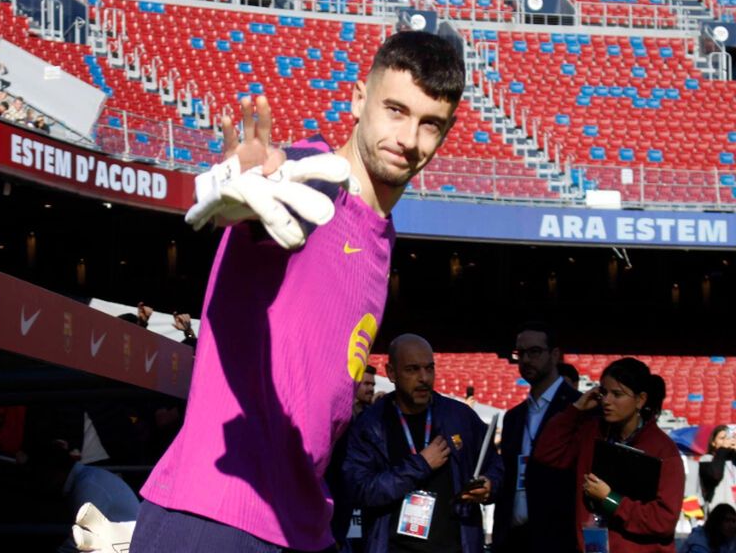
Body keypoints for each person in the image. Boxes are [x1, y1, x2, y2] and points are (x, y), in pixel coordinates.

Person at [130, 31, 465, 553]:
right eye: (395, 110)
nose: (408, 137)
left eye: (429, 124)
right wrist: (244, 188)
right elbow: (264, 198)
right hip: (218, 513)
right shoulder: (311, 181)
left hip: (302, 523)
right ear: (358, 99)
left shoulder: (381, 235)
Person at [343, 334, 503, 553]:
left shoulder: (460, 417)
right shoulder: (370, 424)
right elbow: (361, 489)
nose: (424, 378)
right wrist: (421, 464)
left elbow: (495, 465)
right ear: (391, 373)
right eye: (412, 369)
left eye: (430, 368)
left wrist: (489, 485)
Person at [533, 357, 683, 553]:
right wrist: (576, 409)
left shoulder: (664, 451)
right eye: (603, 392)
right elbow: (547, 453)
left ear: (640, 400)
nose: (606, 401)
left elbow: (663, 522)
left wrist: (610, 499)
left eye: (617, 394)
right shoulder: (590, 432)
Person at [493, 322, 581, 553]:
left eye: (534, 352)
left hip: (560, 539)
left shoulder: (581, 409)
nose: (525, 360)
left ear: (554, 355)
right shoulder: (513, 417)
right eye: (520, 353)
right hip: (513, 538)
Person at [23, 440, 140, 553]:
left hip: (125, 544)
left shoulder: (87, 485)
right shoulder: (87, 479)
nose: (41, 482)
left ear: (52, 471)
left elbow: (83, 537)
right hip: (122, 542)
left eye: (40, 474)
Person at [700, 425, 736, 513]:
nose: (726, 441)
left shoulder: (734, 461)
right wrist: (723, 449)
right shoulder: (706, 459)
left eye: (729, 438)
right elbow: (716, 475)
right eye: (722, 438)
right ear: (713, 442)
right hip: (717, 513)